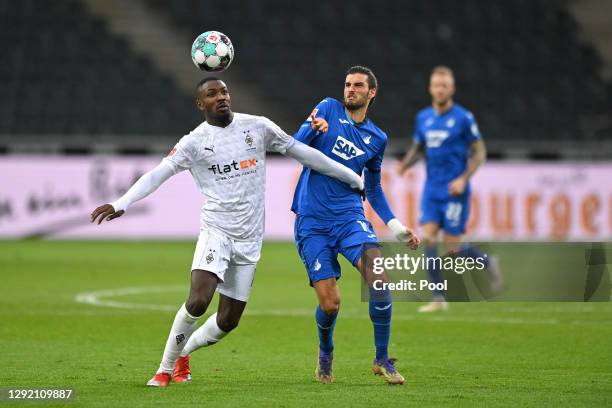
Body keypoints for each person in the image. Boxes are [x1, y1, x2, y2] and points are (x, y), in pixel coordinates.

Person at [90, 77, 366, 387]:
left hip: (249, 239)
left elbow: (303, 153)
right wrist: (122, 202)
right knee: (198, 301)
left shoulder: (257, 127)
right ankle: (164, 370)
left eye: (224, 91)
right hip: (217, 230)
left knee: (228, 321)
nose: (221, 97)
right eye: (212, 94)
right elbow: (158, 174)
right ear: (200, 104)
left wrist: (350, 176)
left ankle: (185, 354)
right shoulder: (193, 142)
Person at [292, 66, 420, 385]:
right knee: (331, 303)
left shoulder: (377, 138)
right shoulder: (327, 108)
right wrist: (311, 130)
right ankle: (325, 352)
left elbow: (373, 188)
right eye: (347, 84)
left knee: (379, 277)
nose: (350, 90)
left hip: (350, 218)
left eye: (357, 86)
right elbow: (294, 145)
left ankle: (382, 360)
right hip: (313, 221)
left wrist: (396, 224)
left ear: (371, 93)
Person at [398, 66, 501, 312]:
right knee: (429, 238)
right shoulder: (423, 118)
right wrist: (406, 164)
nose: (440, 89)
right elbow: (419, 148)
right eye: (436, 85)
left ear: (451, 89)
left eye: (444, 85)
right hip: (431, 190)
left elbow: (480, 153)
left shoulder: (464, 118)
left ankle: (488, 262)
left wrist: (464, 179)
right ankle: (438, 298)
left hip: (455, 191)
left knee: (453, 250)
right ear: (430, 89)